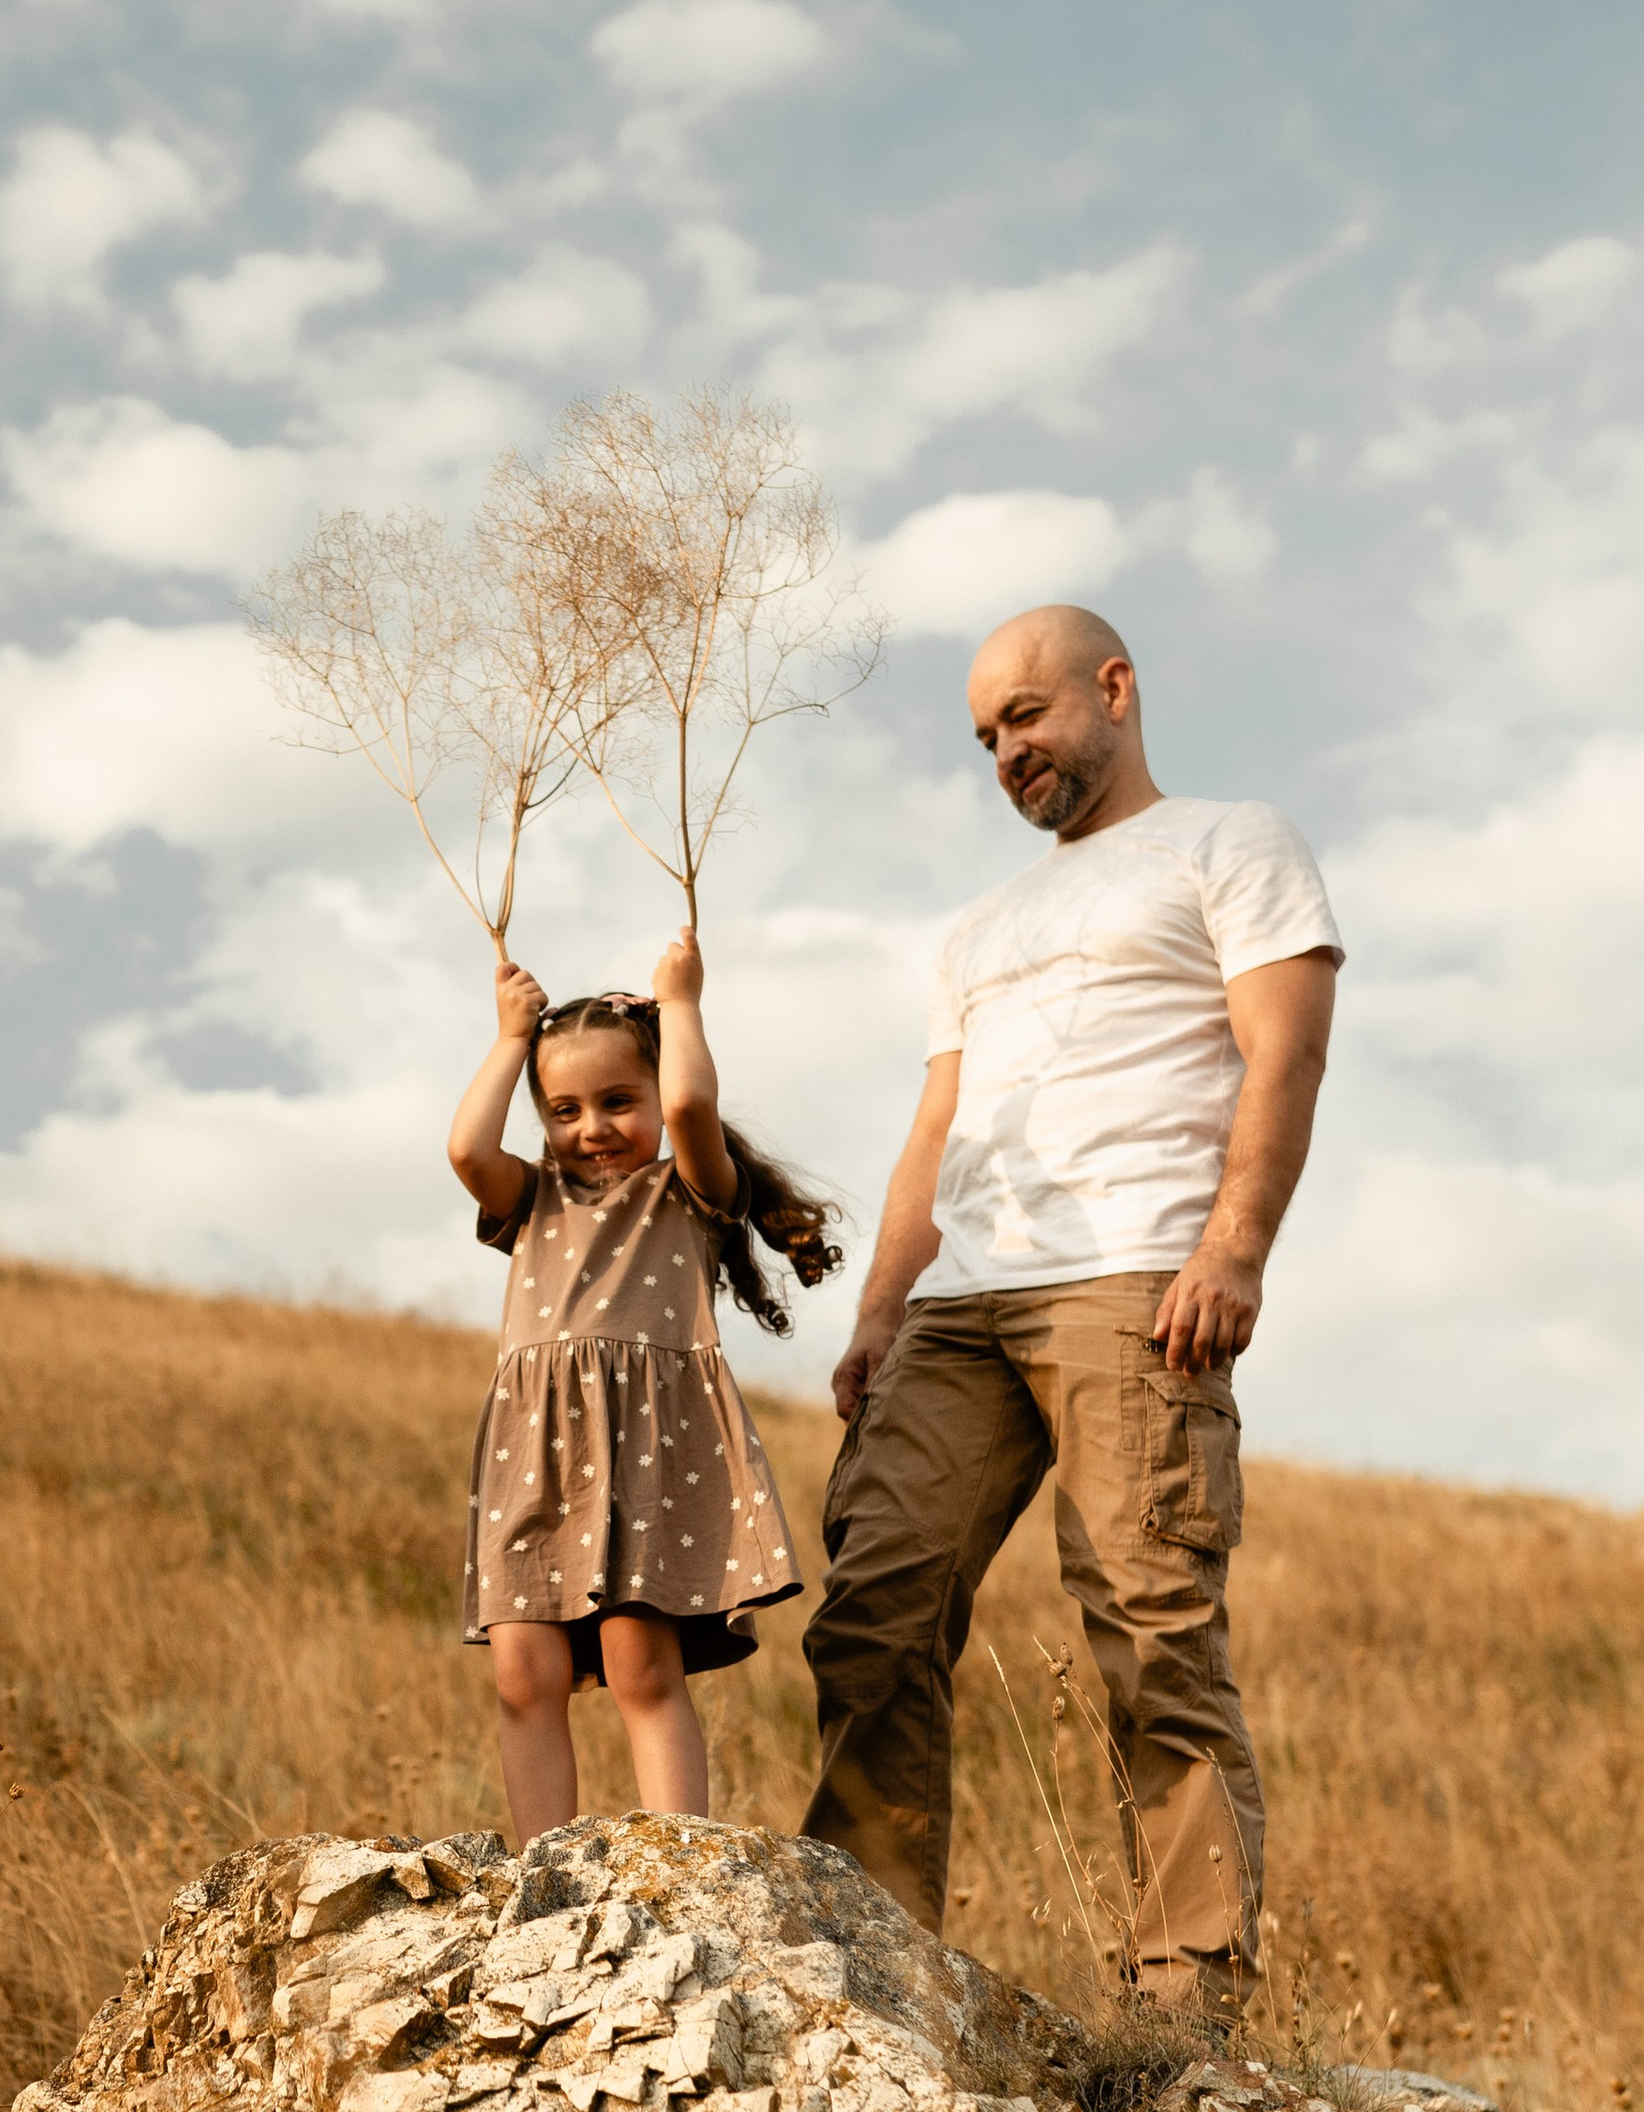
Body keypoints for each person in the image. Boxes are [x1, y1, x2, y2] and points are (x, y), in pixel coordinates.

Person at [800, 605, 1342, 2007]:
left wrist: (1234, 1248)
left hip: (1135, 1277)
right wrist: (878, 1310)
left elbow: (1282, 1054)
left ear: (1115, 688)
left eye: (1026, 715)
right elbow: (938, 1129)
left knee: (1151, 1625)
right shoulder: (978, 928)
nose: (1006, 752)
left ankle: (1185, 2004)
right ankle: (875, 1971)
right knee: (874, 1605)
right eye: (986, 735)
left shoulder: (1234, 842)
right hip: (963, 1303)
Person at [451, 924, 838, 1844]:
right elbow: (469, 1149)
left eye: (619, 1101)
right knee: (523, 1674)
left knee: (638, 1664)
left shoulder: (688, 1190)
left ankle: (680, 1863)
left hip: (644, 1450)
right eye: (564, 1110)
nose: (591, 1129)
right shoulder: (531, 1197)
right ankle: (541, 1869)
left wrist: (683, 1005)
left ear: (654, 1097)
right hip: (532, 1453)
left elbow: (697, 1107)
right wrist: (511, 1039)